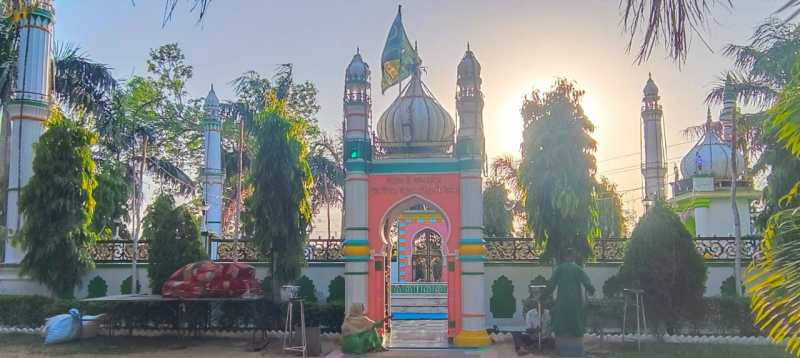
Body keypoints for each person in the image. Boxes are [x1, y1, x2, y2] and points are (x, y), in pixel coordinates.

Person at [541, 249, 595, 338]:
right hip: (576, 302)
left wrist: (543, 296)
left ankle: (561, 347)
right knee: (576, 324)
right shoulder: (578, 269)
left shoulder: (559, 269)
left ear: (564, 257)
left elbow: (551, 285)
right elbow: (587, 283)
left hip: (562, 302)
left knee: (561, 324)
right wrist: (591, 290)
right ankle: (576, 347)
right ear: (573, 257)